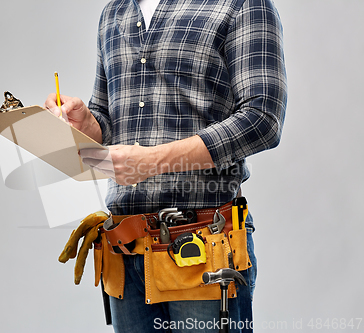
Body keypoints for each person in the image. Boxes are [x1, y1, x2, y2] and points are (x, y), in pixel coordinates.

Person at [45, 0, 287, 331]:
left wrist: (152, 161)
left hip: (202, 249)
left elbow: (263, 119)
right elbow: (110, 121)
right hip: (124, 253)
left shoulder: (240, 4)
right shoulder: (114, 14)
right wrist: (86, 123)